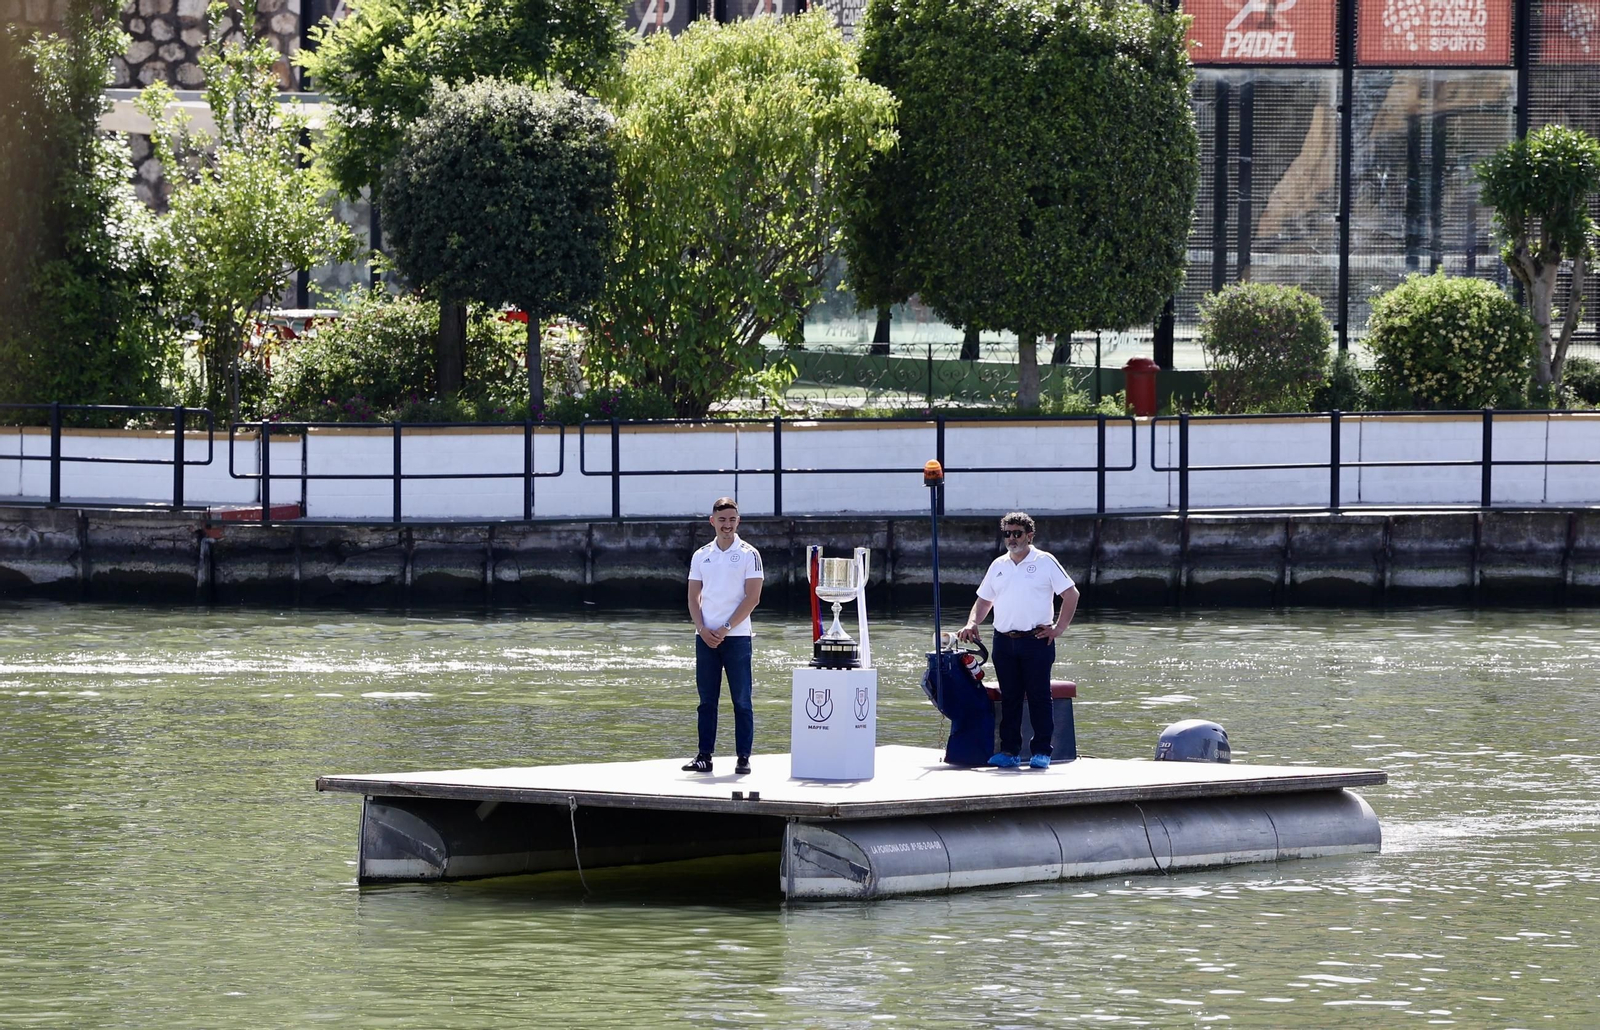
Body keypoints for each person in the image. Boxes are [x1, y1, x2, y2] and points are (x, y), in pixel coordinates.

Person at [956, 512, 1079, 770]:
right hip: (1004, 640)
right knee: (1009, 696)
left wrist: (1058, 628)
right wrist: (972, 623)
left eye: (1017, 533)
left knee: (1038, 696)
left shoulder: (1045, 561)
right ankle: (1010, 751)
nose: (1012, 538)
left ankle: (1042, 751)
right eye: (1007, 533)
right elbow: (984, 600)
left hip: (1036, 639)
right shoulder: (998, 565)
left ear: (1029, 536)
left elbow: (1071, 594)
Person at [684, 497, 764, 775]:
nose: (727, 525)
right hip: (705, 638)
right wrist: (703, 629)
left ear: (738, 521)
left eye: (731, 519)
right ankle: (704, 755)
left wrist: (726, 628)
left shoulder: (749, 554)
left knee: (741, 699)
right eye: (722, 520)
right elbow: (693, 597)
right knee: (707, 700)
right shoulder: (701, 555)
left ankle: (743, 756)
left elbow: (752, 598)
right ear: (712, 522)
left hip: (737, 637)